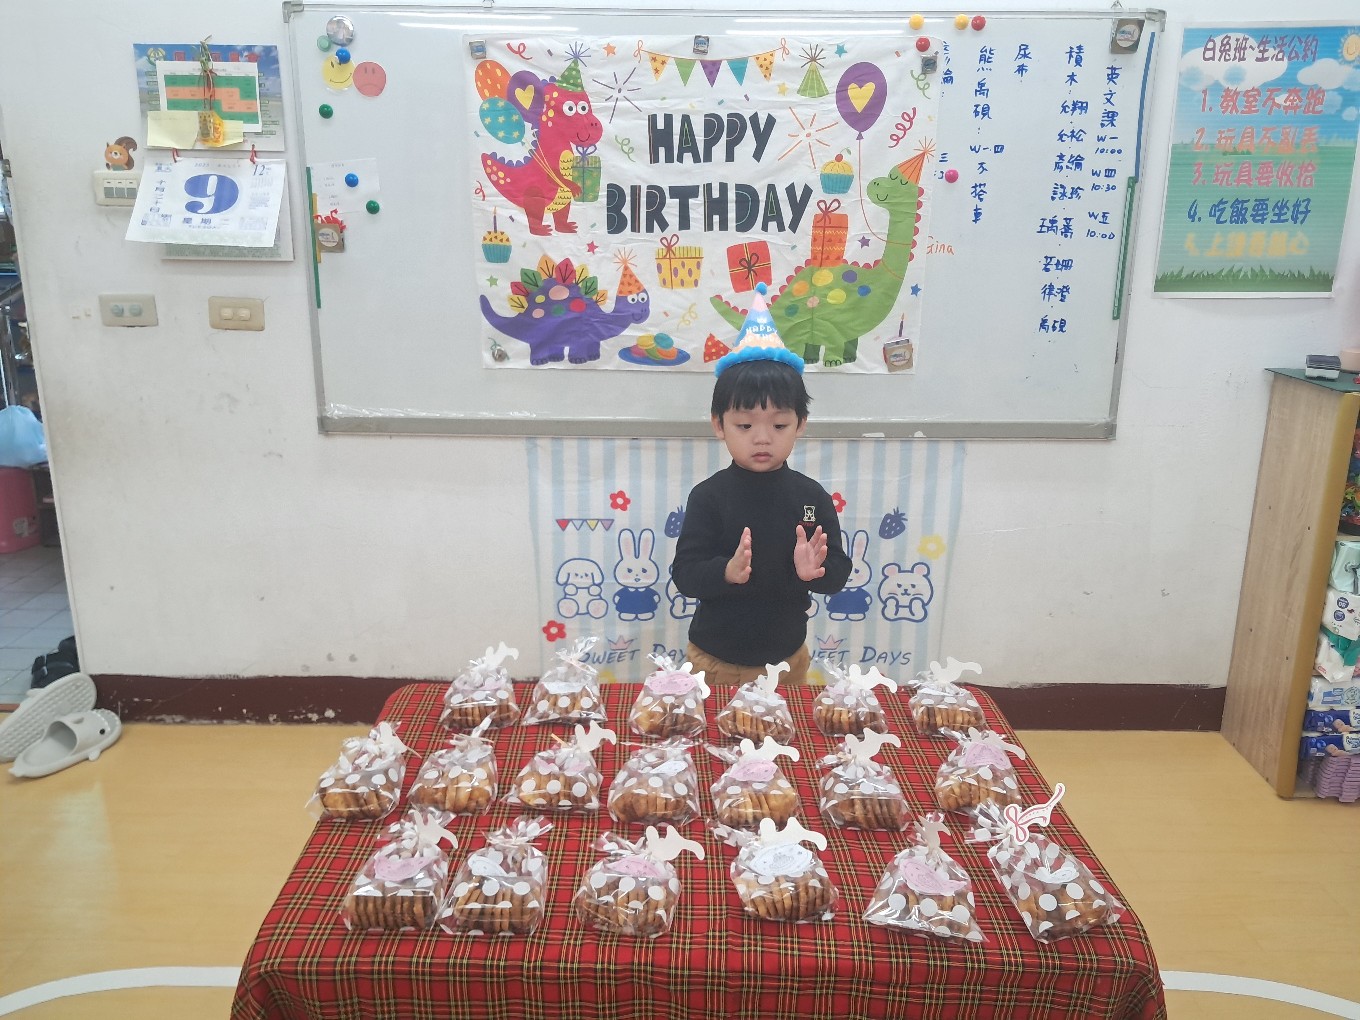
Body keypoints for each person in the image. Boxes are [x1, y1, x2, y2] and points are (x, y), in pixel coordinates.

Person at [671, 283, 852, 685]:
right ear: (719, 425)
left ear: (800, 425)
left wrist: (816, 572)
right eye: (745, 425)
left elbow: (839, 571)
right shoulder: (709, 497)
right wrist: (726, 571)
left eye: (780, 424)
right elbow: (685, 574)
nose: (763, 438)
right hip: (714, 660)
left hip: (787, 661)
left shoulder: (811, 497)